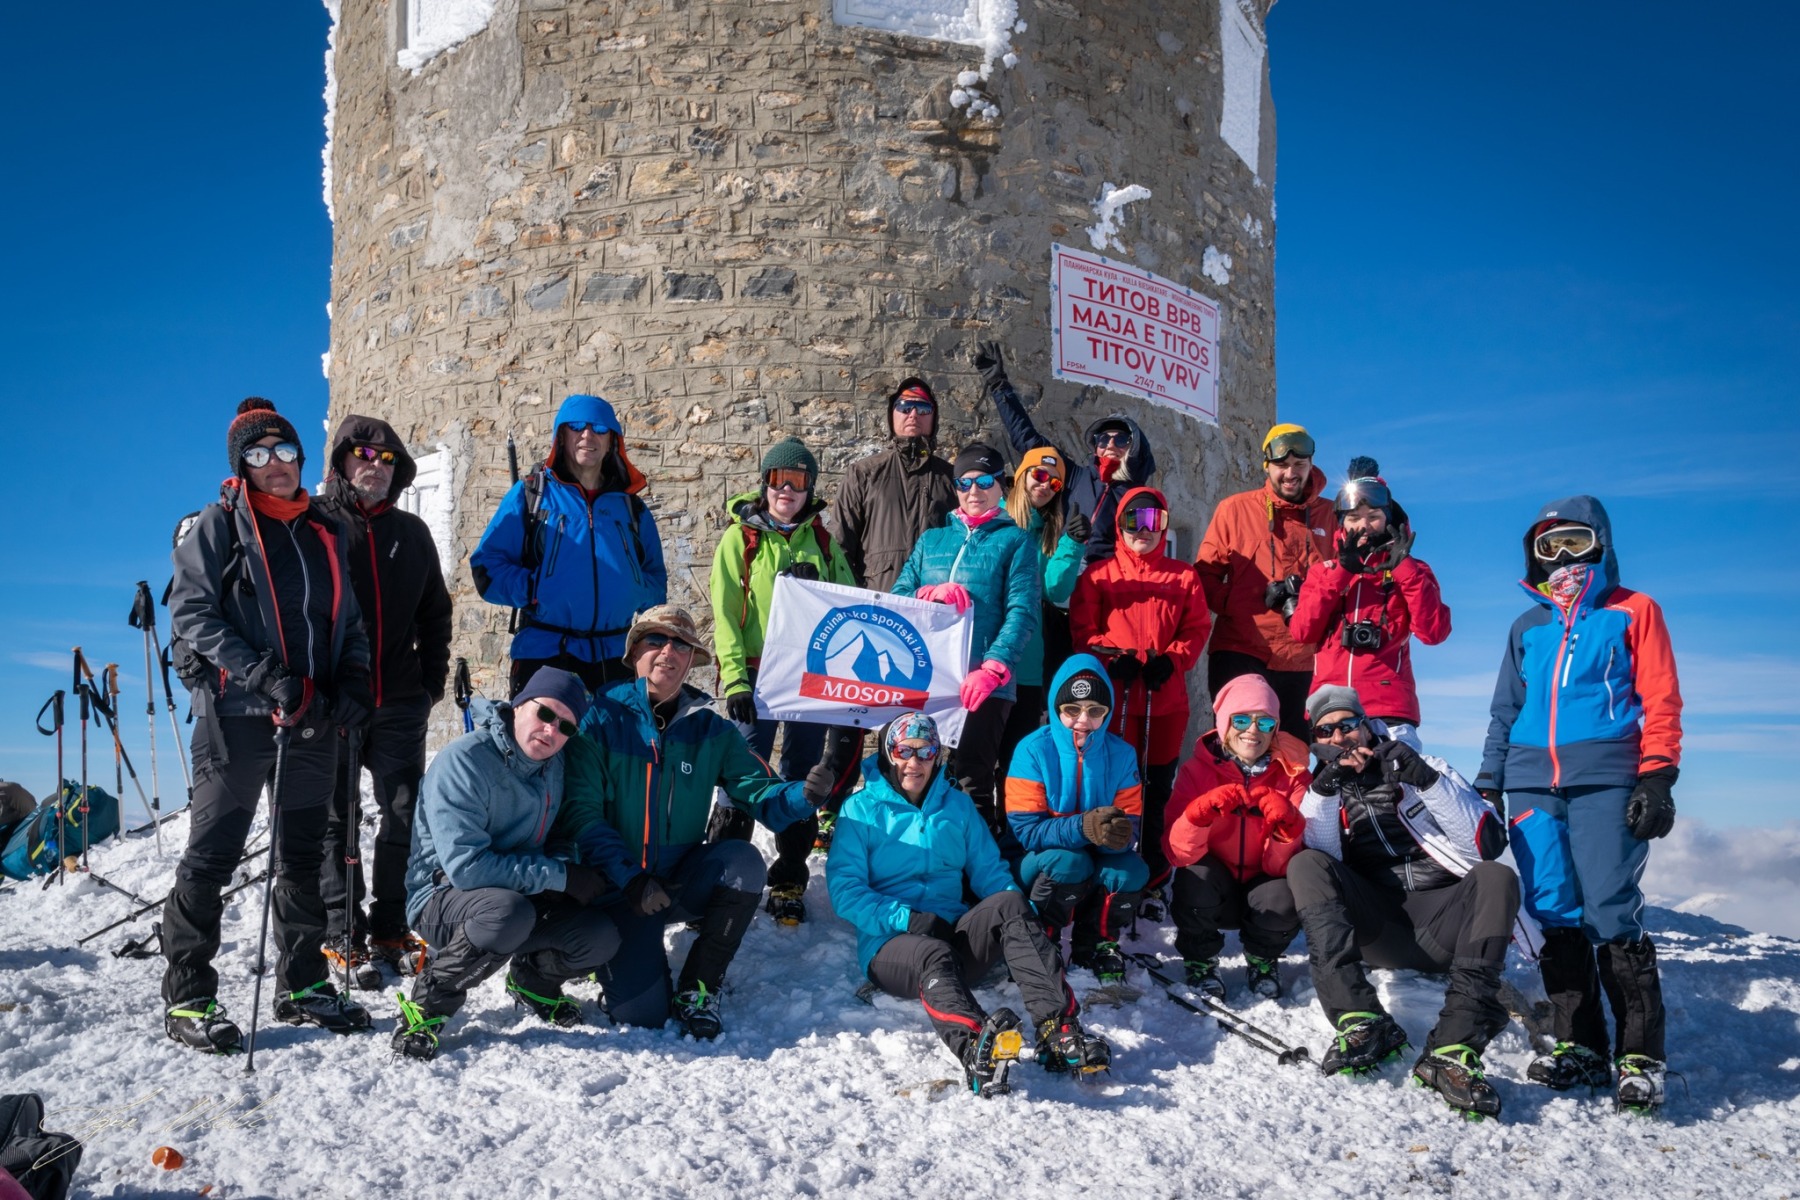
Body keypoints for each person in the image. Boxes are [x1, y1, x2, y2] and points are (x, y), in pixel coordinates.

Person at [162, 397, 374, 1051]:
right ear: (242, 464)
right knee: (212, 856)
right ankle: (188, 998)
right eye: (259, 454)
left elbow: (349, 622)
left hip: (312, 716)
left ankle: (303, 984)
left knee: (303, 857)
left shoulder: (324, 531)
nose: (275, 463)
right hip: (237, 716)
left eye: (284, 450)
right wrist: (261, 673)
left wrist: (353, 680)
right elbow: (192, 614)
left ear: (300, 458)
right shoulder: (219, 526)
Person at [1477, 496, 1683, 1111]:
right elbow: (1505, 710)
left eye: (1575, 540)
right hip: (1529, 782)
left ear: (1600, 542)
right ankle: (1581, 1046)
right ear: (1534, 555)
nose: (1564, 557)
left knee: (1610, 908)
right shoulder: (1528, 625)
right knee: (1552, 911)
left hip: (1607, 776)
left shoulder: (1634, 610)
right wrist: (1489, 782)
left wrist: (1657, 777)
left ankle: (1640, 1056)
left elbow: (1661, 698)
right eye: (1550, 545)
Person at [573, 606, 824, 1038]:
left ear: (692, 660)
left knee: (742, 862)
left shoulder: (710, 729)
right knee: (642, 1016)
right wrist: (629, 878)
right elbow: (582, 814)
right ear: (634, 652)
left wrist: (804, 796)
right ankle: (569, 964)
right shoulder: (599, 718)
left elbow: (759, 792)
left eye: (681, 645)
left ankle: (700, 986)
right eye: (656, 640)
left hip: (675, 881)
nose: (668, 651)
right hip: (617, 887)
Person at [828, 712, 1110, 1095]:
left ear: (938, 756)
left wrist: (1023, 927)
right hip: (890, 944)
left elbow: (990, 873)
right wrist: (906, 919)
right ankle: (976, 1044)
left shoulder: (957, 807)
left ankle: (1057, 1030)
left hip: (952, 932)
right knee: (932, 954)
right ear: (888, 753)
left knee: (1010, 903)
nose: (915, 762)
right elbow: (846, 892)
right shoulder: (860, 811)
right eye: (904, 751)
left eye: (926, 752)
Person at [1291, 686, 1520, 1117]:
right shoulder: (1320, 791)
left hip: (1445, 926)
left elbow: (1483, 847)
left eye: (1348, 724)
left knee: (1496, 876)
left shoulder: (1425, 766)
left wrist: (1427, 782)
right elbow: (1323, 858)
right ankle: (1360, 1020)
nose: (1340, 737)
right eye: (1326, 730)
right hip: (1379, 929)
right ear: (1316, 739)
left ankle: (1452, 1049)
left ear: (1365, 725)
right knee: (1305, 864)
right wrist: (1325, 791)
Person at [391, 668, 639, 1060]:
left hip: (518, 897)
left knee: (599, 936)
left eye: (566, 727)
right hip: (443, 898)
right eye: (545, 713)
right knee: (508, 913)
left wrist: (565, 866)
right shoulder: (466, 761)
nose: (551, 730)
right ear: (520, 705)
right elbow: (467, 868)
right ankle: (427, 1007)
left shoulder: (555, 765)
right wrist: (557, 876)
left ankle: (533, 981)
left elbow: (558, 833)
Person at [313, 414, 454, 986]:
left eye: (388, 458)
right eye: (364, 455)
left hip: (399, 700)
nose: (375, 466)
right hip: (335, 702)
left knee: (402, 816)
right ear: (342, 461)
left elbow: (435, 613)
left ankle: (391, 928)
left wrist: (430, 685)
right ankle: (341, 929)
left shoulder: (412, 533)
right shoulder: (315, 523)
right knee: (336, 817)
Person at [709, 436, 861, 925]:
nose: (786, 490)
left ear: (809, 488)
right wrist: (736, 680)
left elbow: (851, 603)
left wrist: (818, 589)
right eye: (778, 479)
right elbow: (726, 614)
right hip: (757, 673)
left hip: (806, 674)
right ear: (764, 483)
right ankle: (720, 878)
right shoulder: (741, 539)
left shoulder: (822, 542)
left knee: (801, 773)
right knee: (742, 771)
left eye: (797, 481)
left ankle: (790, 873)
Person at [470, 393, 667, 695]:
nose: (588, 435)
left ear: (612, 441)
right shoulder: (532, 496)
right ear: (561, 437)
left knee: (618, 729)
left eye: (599, 428)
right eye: (576, 426)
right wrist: (535, 590)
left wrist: (634, 591)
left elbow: (655, 577)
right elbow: (487, 567)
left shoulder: (631, 508)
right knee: (548, 728)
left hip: (618, 657)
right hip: (546, 654)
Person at [892, 443, 1041, 839]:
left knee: (972, 777)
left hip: (984, 683)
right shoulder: (932, 540)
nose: (974, 491)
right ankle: (914, 857)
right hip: (927, 677)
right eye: (964, 482)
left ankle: (975, 868)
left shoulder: (1016, 542)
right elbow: (897, 597)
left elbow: (1022, 612)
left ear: (1001, 486)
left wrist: (993, 668)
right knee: (913, 770)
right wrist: (928, 594)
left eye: (984, 481)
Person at [1068, 486, 1212, 894]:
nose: (1144, 530)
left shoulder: (1183, 576)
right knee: (1112, 780)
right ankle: (1106, 857)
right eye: (1134, 520)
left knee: (1156, 784)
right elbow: (1083, 630)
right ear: (1120, 525)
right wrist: (1113, 658)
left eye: (1154, 520)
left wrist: (1173, 658)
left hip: (1163, 697)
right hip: (1116, 698)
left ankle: (1153, 865)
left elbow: (1196, 628)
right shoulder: (1099, 575)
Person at [1162, 674, 1308, 1001]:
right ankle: (1200, 960)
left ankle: (1262, 959)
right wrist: (1197, 818)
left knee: (1284, 894)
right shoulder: (1196, 771)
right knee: (1194, 876)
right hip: (1214, 890)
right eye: (1241, 719)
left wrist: (1286, 832)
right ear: (1224, 723)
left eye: (1265, 722)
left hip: (1262, 890)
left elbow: (1280, 868)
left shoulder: (1295, 776)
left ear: (1275, 728)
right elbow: (1178, 855)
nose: (1253, 730)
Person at [1006, 657, 1147, 984]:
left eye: (1095, 710)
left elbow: (1131, 825)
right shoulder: (1032, 750)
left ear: (1107, 712)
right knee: (1070, 862)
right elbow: (1026, 831)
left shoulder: (1123, 754)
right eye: (1072, 709)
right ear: (1056, 708)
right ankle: (1043, 939)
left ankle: (1097, 943)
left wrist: (1117, 836)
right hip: (1035, 859)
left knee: (1131, 870)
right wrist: (1084, 827)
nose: (1083, 720)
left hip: (1093, 859)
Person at [1289, 458, 1450, 742]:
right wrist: (1342, 571)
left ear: (1389, 519)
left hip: (1389, 711)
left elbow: (1434, 633)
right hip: (1331, 710)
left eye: (1373, 516)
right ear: (1342, 524)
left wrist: (1403, 569)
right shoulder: (1324, 572)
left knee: (1396, 773)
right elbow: (1303, 631)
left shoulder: (1414, 571)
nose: (1364, 526)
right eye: (1353, 518)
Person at [1195, 423, 1335, 737]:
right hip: (1241, 650)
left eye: (1299, 464)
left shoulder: (1332, 515)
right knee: (1239, 744)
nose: (1290, 473)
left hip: (1304, 658)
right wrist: (1248, 602)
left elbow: (1346, 579)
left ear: (1311, 464)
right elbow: (1204, 577)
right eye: (1281, 465)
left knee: (1293, 751)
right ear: (1267, 466)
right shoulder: (1235, 510)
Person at [975, 340, 1158, 565]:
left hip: (1106, 578)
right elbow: (1026, 437)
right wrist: (998, 385)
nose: (1111, 445)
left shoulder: (1137, 496)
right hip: (1062, 569)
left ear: (1134, 447)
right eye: (1103, 439)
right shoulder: (1075, 476)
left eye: (1121, 439)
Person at [994, 447, 1090, 780]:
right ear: (1022, 476)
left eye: (1055, 483)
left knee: (1016, 764)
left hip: (1028, 665)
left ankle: (1011, 816)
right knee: (974, 761)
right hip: (987, 661)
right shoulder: (992, 520)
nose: (1046, 484)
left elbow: (1055, 589)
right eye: (1039, 475)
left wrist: (1072, 543)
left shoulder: (1046, 533)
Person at [835, 378, 958, 592]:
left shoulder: (952, 479)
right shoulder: (864, 474)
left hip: (933, 603)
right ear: (892, 414)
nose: (913, 414)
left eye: (923, 408)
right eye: (905, 407)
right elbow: (839, 546)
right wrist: (855, 597)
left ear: (934, 418)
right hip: (878, 601)